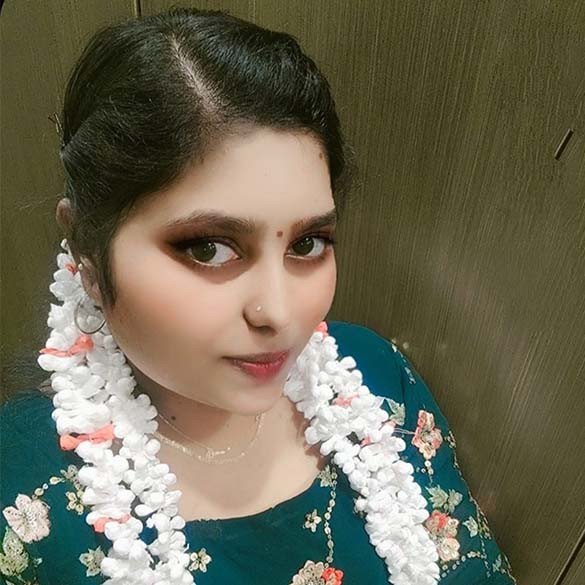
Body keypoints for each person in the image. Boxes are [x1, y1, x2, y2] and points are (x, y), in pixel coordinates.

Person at [0, 7, 516, 585]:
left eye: (308, 243)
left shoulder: (374, 378)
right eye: (208, 249)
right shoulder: (21, 497)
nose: (280, 312)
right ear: (86, 253)